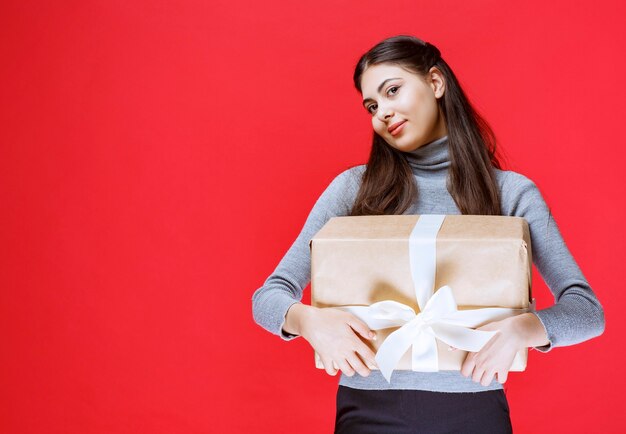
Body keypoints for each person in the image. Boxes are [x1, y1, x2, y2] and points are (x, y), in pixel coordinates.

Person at [251, 35, 605, 433]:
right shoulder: (353, 188)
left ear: (435, 83)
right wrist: (307, 321)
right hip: (368, 411)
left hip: (475, 411)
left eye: (392, 91)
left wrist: (524, 329)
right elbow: (268, 296)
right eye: (372, 105)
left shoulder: (511, 192)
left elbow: (587, 311)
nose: (382, 112)